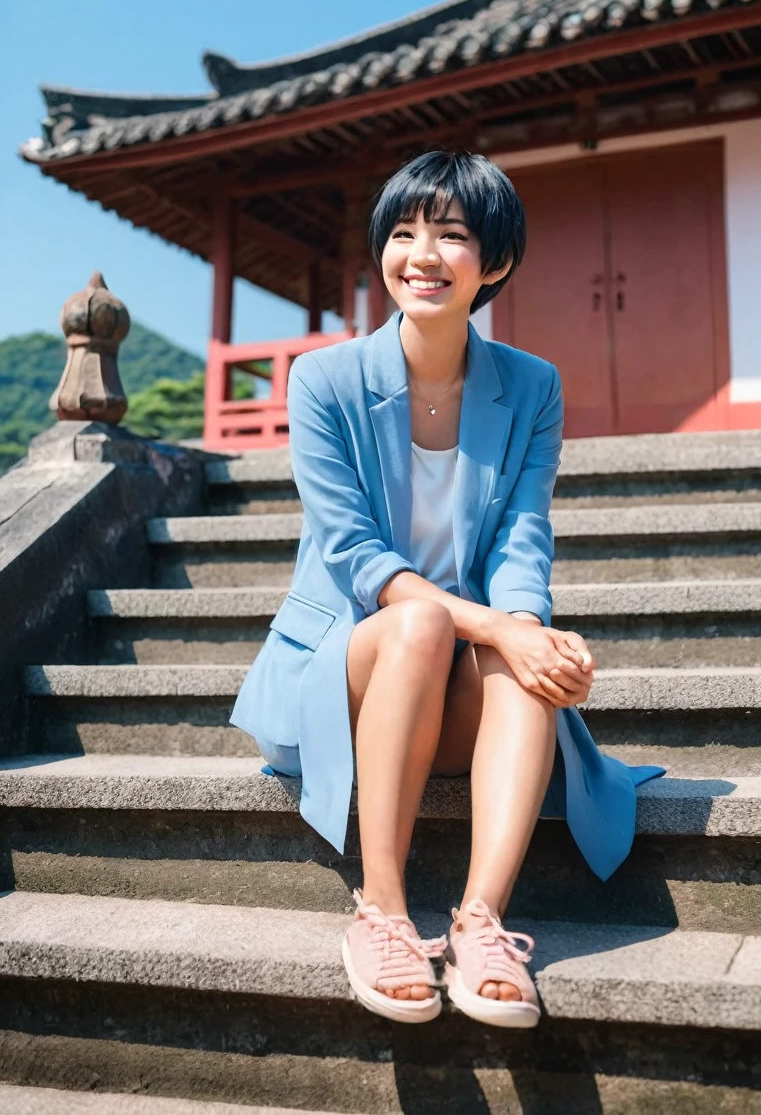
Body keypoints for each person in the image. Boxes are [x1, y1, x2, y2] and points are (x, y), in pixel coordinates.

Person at [231, 150, 663, 1030]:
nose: (421, 255)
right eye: (403, 233)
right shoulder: (322, 379)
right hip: (347, 666)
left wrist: (528, 632)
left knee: (520, 655)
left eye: (451, 235)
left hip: (451, 678)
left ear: (494, 263)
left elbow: (520, 538)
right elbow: (357, 557)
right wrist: (504, 628)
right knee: (427, 619)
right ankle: (382, 912)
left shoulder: (532, 386)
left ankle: (481, 925)